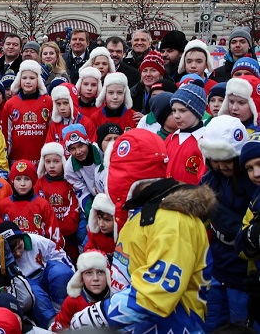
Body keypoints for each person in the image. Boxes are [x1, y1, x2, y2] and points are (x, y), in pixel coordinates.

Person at [71, 130, 215, 332]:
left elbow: (159, 290)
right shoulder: (140, 213)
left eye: (113, 169)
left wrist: (99, 315)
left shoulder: (173, 221)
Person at [198, 115, 253, 329]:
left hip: (243, 276)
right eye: (215, 158)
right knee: (211, 326)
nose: (221, 165)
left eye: (226, 158)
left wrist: (215, 210)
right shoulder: (212, 178)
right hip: (216, 269)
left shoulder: (252, 181)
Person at [3, 60, 52, 164]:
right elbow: (6, 135)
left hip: (42, 160)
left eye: (32, 78)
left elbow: (52, 130)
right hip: (17, 159)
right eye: (24, 78)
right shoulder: (10, 104)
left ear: (38, 80)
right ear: (19, 80)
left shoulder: (48, 102)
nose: (28, 81)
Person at [51, 251, 112, 331]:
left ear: (108, 276)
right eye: (89, 273)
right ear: (81, 278)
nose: (95, 278)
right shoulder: (72, 301)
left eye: (100, 272)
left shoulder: (116, 299)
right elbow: (59, 330)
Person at [165, 80, 208, 185]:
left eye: (182, 111)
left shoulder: (205, 142)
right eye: (174, 111)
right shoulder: (170, 139)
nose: (176, 116)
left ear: (197, 111)